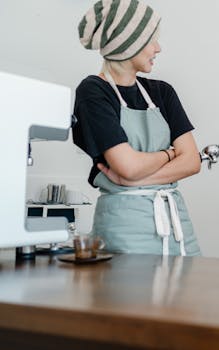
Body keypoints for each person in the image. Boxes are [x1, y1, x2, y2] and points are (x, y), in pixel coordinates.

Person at [72, 0, 202, 256]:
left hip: (177, 226)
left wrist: (131, 181)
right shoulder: (93, 92)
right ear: (127, 44)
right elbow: (127, 166)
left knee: (188, 294)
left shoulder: (162, 92)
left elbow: (192, 162)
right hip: (124, 228)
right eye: (151, 40)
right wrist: (169, 153)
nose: (158, 48)